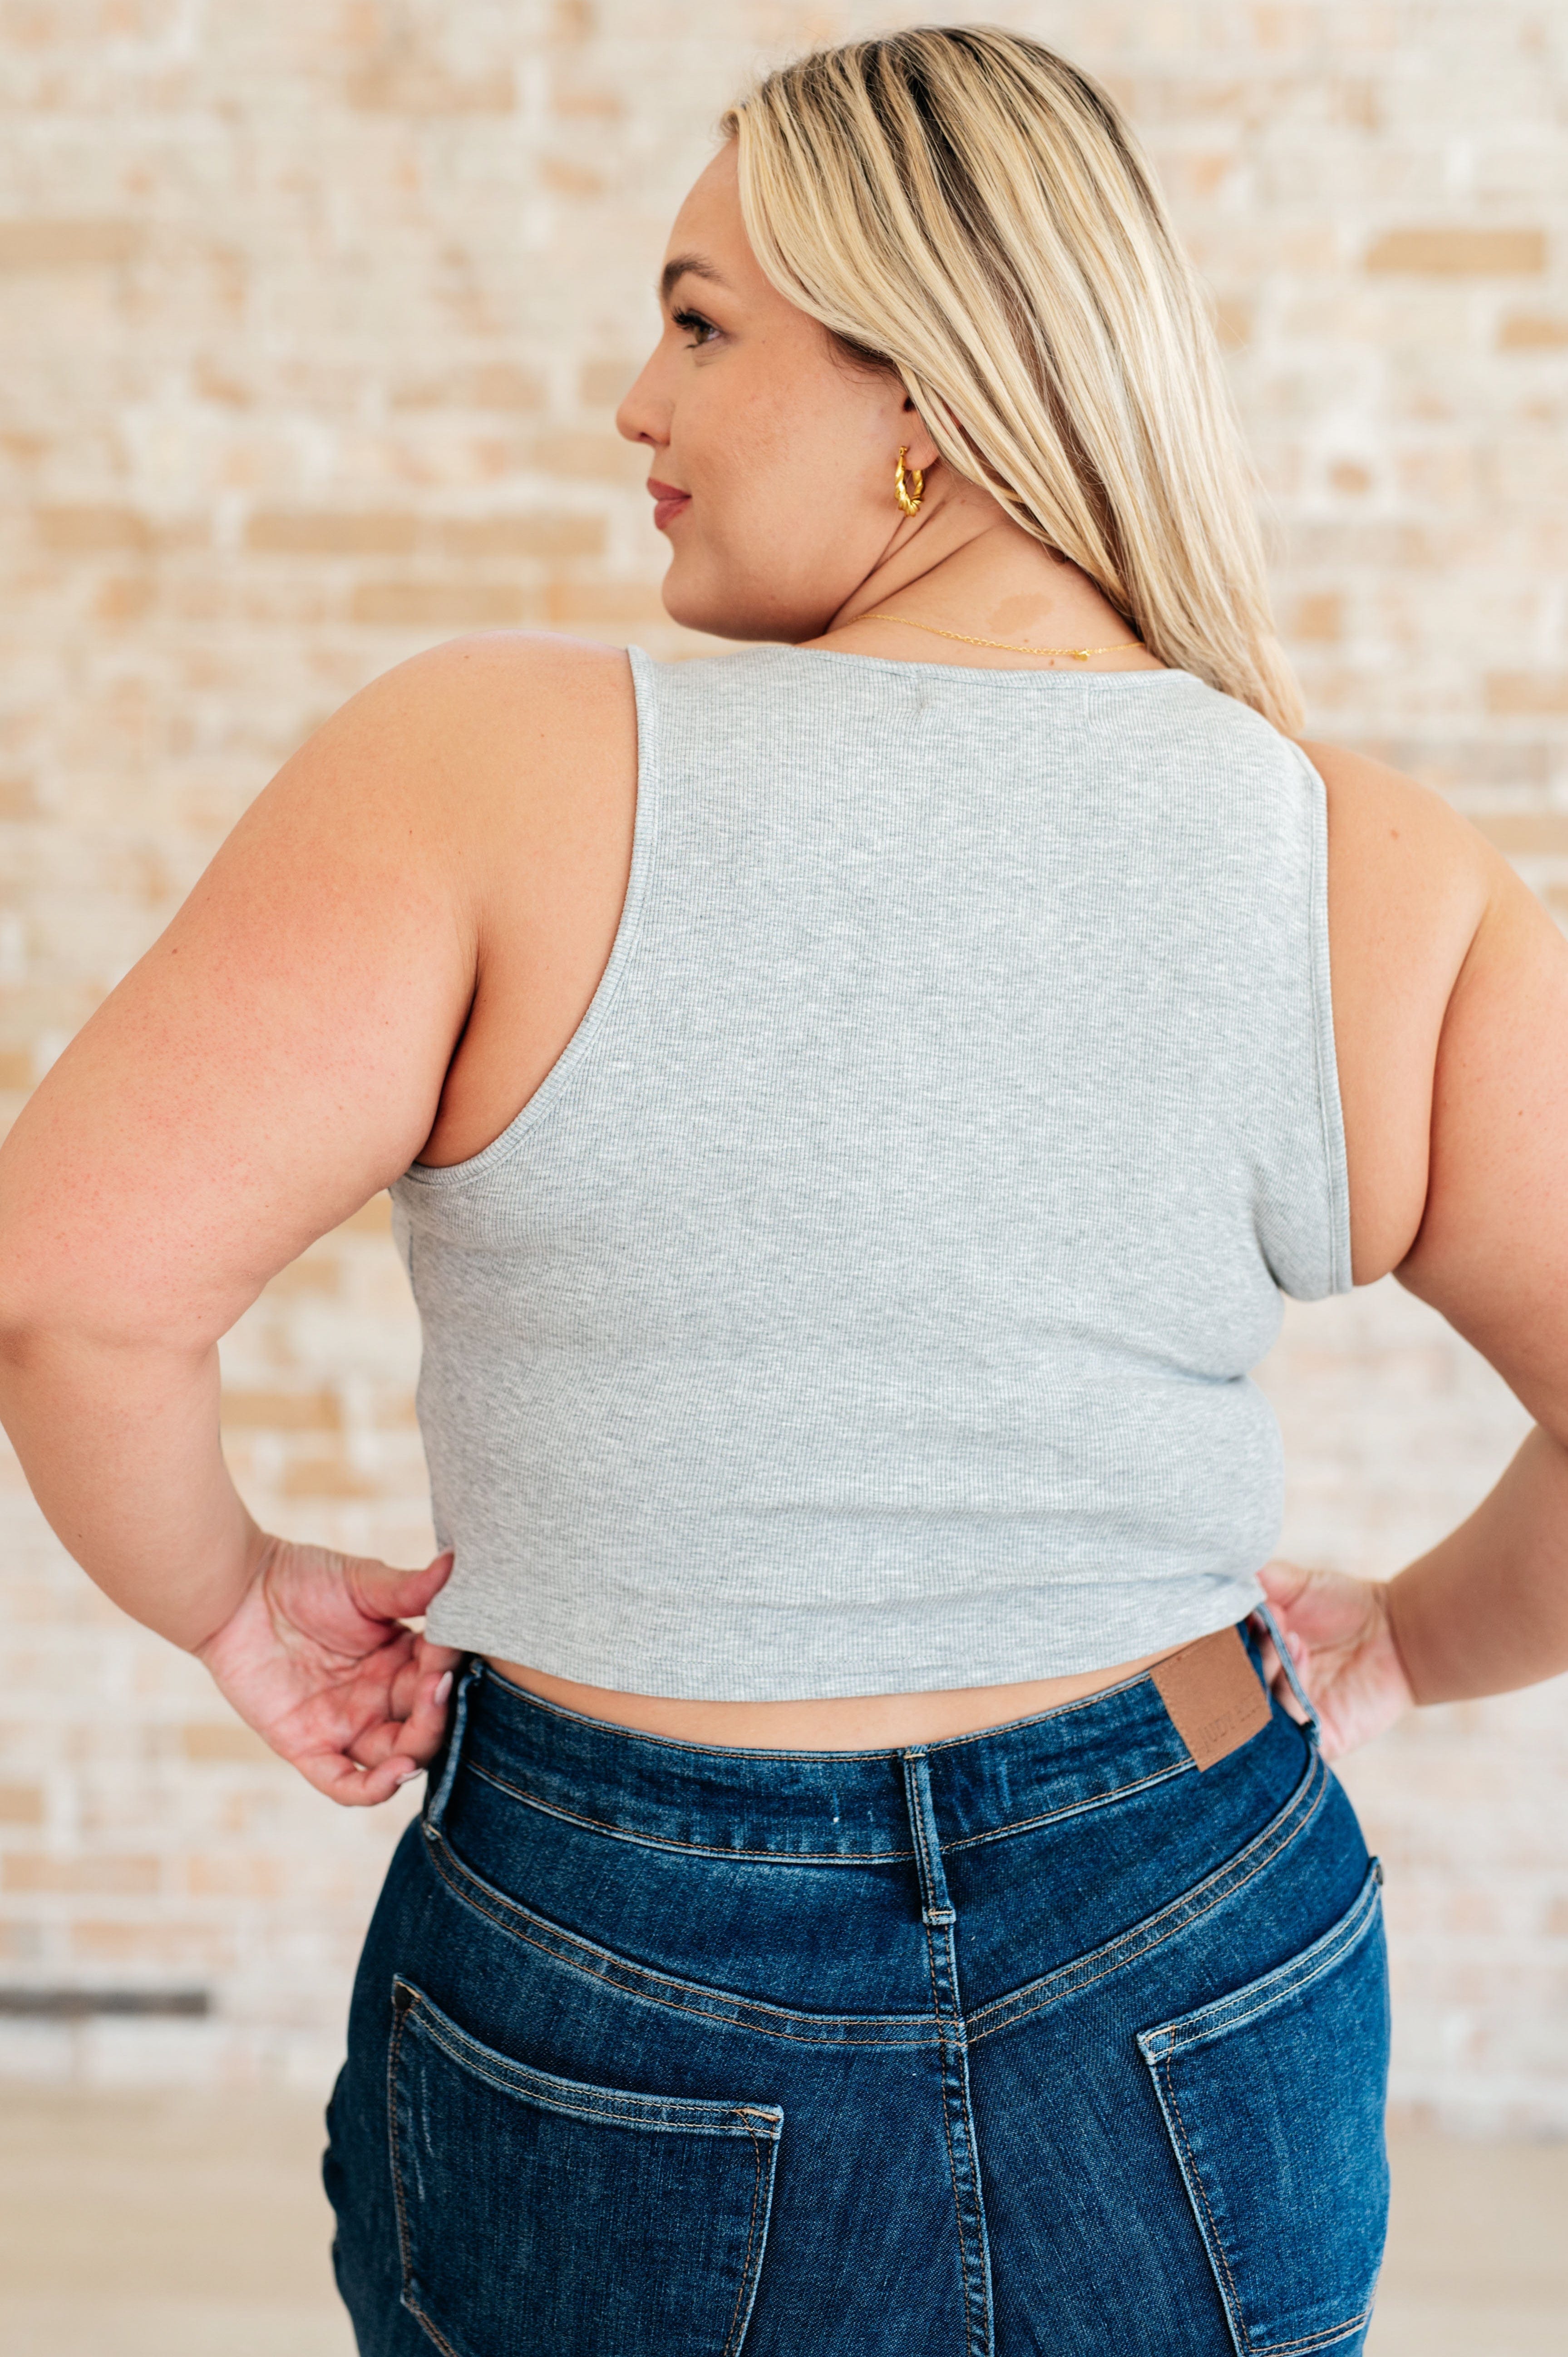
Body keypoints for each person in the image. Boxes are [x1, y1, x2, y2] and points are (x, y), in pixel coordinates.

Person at [0, 23, 1564, 2355]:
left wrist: (234, 1600)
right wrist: (1417, 1637)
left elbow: (66, 1288)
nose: (638, 399)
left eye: (704, 318)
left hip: (615, 1958)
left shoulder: (481, 768)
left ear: (922, 383)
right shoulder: (1369, 867)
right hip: (1194, 1923)